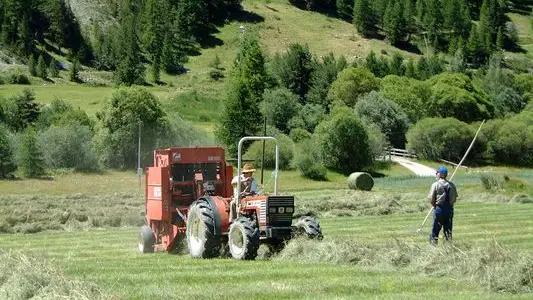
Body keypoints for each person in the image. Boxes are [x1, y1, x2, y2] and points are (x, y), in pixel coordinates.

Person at [427, 166, 458, 245]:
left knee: (435, 230)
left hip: (439, 209)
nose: (436, 174)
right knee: (448, 230)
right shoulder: (452, 185)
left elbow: (431, 199)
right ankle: (447, 247)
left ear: (439, 174)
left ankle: (433, 246)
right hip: (449, 209)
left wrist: (434, 206)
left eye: (437, 173)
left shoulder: (435, 185)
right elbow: (454, 199)